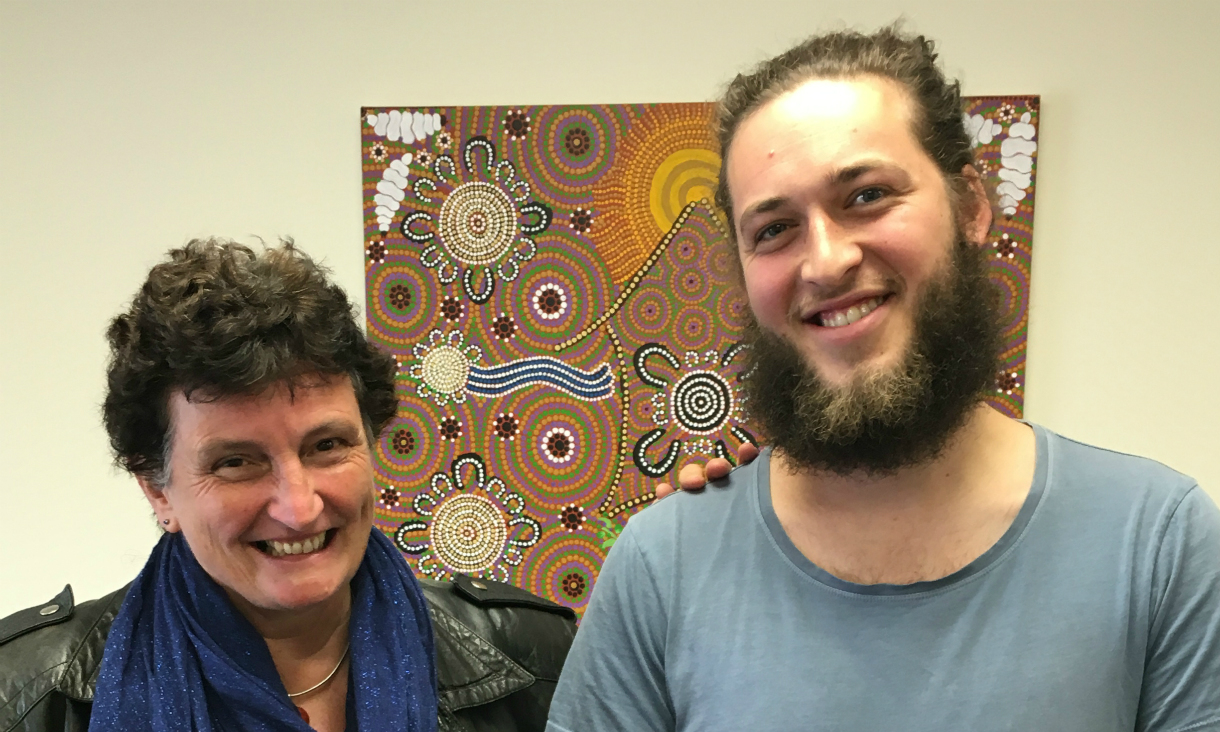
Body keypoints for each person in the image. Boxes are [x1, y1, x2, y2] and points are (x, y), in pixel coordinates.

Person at [546, 25, 1220, 732]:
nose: (826, 262)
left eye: (867, 195)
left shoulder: (1156, 545)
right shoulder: (664, 564)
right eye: (773, 229)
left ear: (971, 206)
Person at [0, 240, 576, 732]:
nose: (299, 508)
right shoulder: (27, 698)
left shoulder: (537, 661)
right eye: (236, 463)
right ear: (157, 490)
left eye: (326, 446)